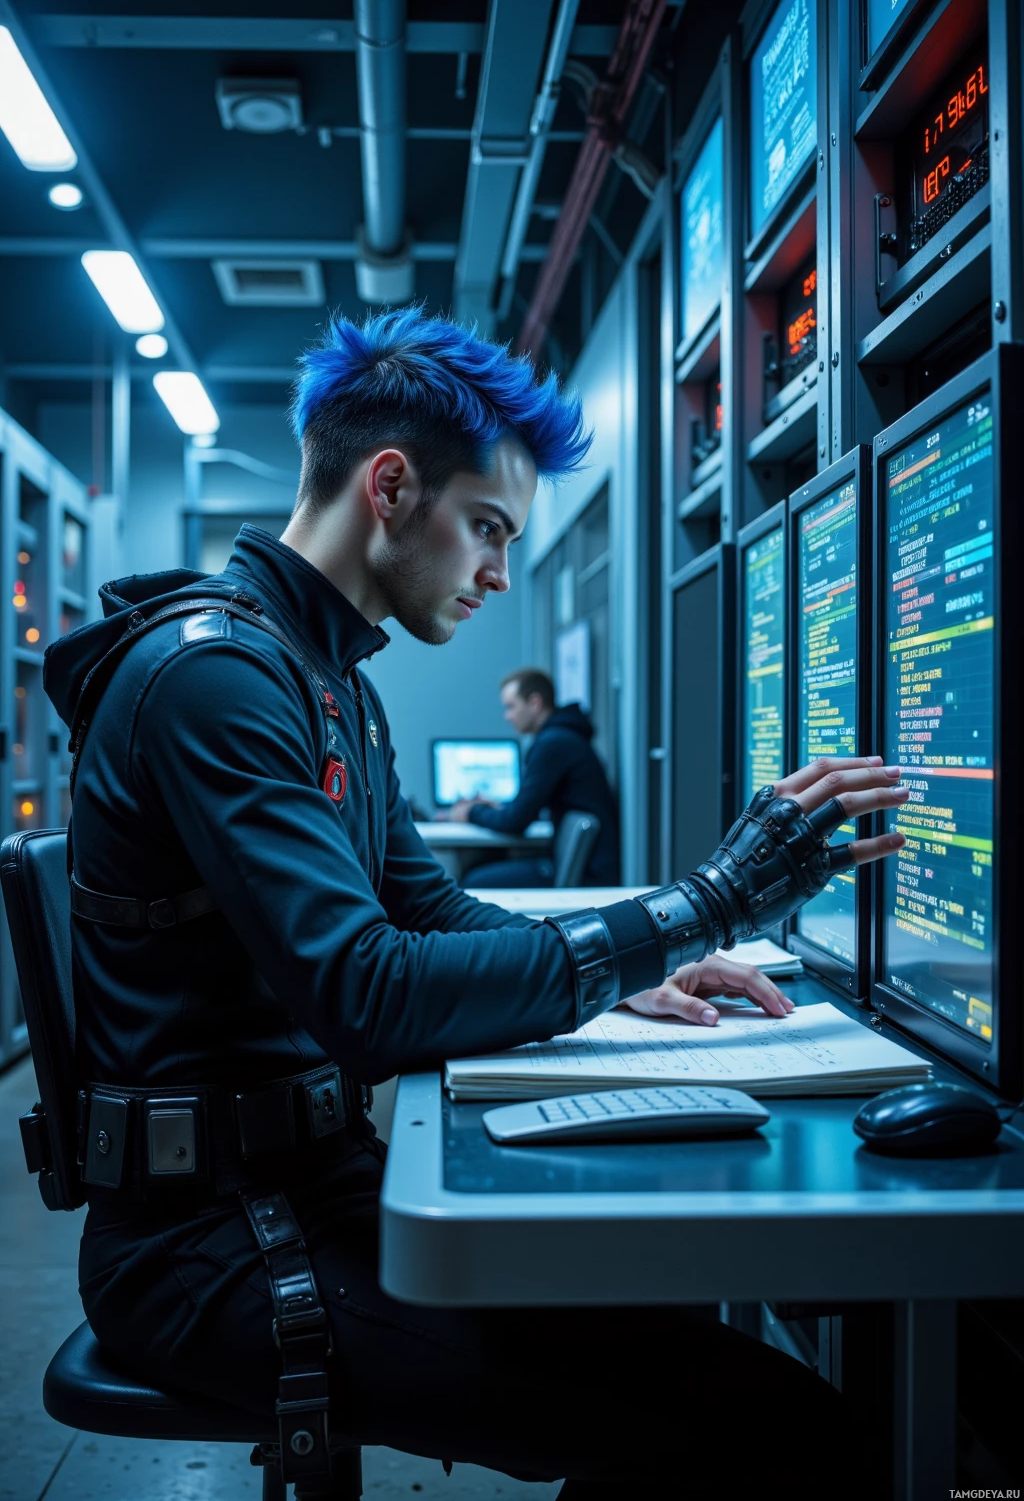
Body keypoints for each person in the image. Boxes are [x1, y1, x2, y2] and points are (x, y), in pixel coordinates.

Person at [45, 306, 908, 1499]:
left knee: (721, 1388)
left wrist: (635, 967)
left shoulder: (328, 681)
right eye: (488, 529)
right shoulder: (216, 679)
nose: (500, 575)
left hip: (309, 1184)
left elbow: (434, 917)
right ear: (390, 486)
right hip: (207, 1246)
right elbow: (368, 996)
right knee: (774, 1430)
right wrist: (707, 901)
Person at [438, 668, 620, 887]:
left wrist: (470, 811)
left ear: (534, 703)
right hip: (588, 866)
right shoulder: (564, 737)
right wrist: (497, 809)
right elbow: (526, 809)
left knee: (472, 880)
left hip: (588, 876)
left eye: (511, 707)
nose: (507, 716)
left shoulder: (553, 743)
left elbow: (516, 821)